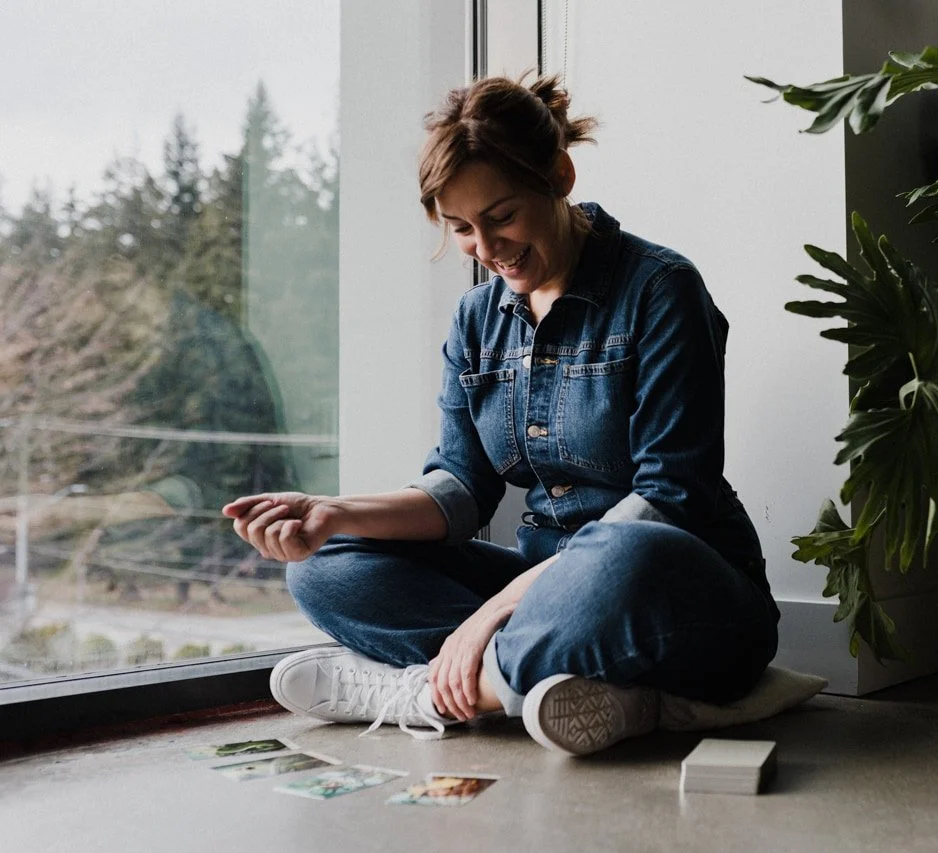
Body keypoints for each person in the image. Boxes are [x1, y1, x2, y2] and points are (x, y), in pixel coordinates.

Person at [222, 74, 780, 756]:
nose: (485, 248)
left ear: (560, 175)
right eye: (460, 228)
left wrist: (491, 611)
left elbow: (671, 497)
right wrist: (334, 515)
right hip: (545, 591)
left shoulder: (661, 290)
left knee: (624, 554)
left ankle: (433, 692)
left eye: (502, 216)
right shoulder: (477, 319)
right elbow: (460, 489)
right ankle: (571, 685)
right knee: (324, 568)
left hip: (672, 586)